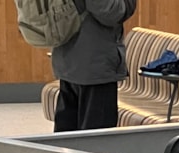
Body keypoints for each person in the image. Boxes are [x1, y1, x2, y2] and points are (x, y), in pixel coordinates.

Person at [51, 0, 138, 132]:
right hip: (94, 64)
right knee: (96, 141)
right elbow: (112, 12)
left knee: (66, 140)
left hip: (68, 61)